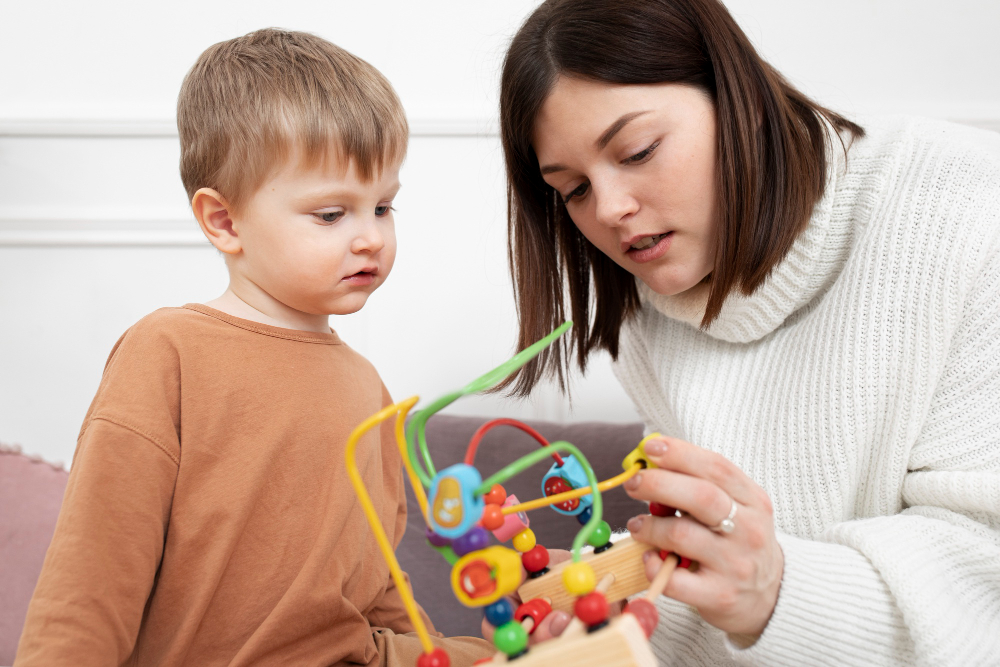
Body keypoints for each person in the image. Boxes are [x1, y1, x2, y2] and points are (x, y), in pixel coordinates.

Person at [497, 0, 1000, 664]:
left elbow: (983, 583)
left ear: (741, 96)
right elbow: (737, 592)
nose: (611, 209)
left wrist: (775, 590)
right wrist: (631, 600)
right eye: (575, 190)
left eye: (638, 151)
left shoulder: (966, 209)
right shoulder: (652, 305)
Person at [14, 29, 492, 667]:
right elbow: (94, 571)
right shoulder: (168, 352)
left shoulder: (368, 387)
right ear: (224, 221)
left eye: (383, 207)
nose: (372, 238)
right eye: (331, 215)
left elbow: (379, 587)